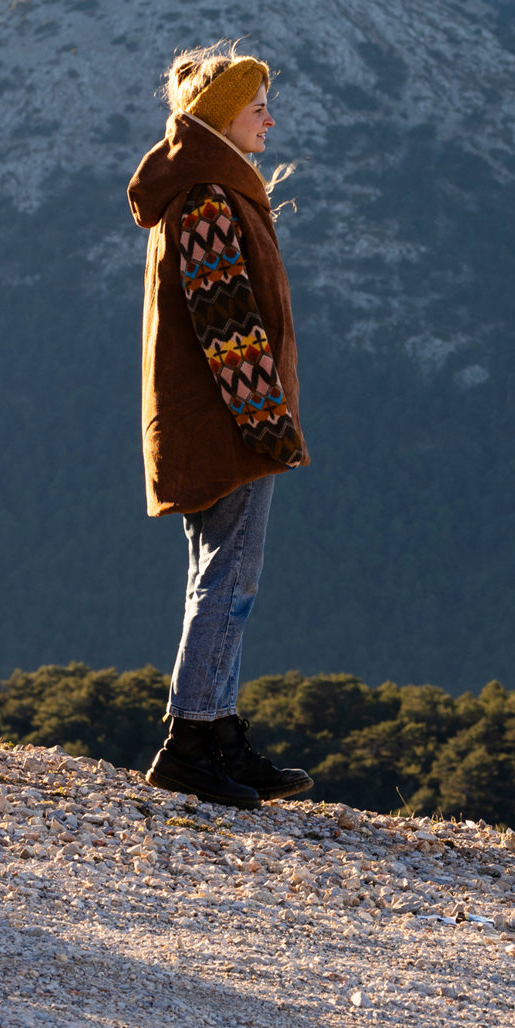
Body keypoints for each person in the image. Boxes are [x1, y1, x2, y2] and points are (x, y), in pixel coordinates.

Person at [125, 42, 313, 809]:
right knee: (228, 576)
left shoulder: (213, 190)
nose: (271, 117)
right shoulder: (207, 198)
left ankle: (220, 729)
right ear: (222, 116)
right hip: (228, 425)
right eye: (257, 105)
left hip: (218, 422)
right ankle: (191, 738)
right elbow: (227, 329)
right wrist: (268, 426)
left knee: (223, 572)